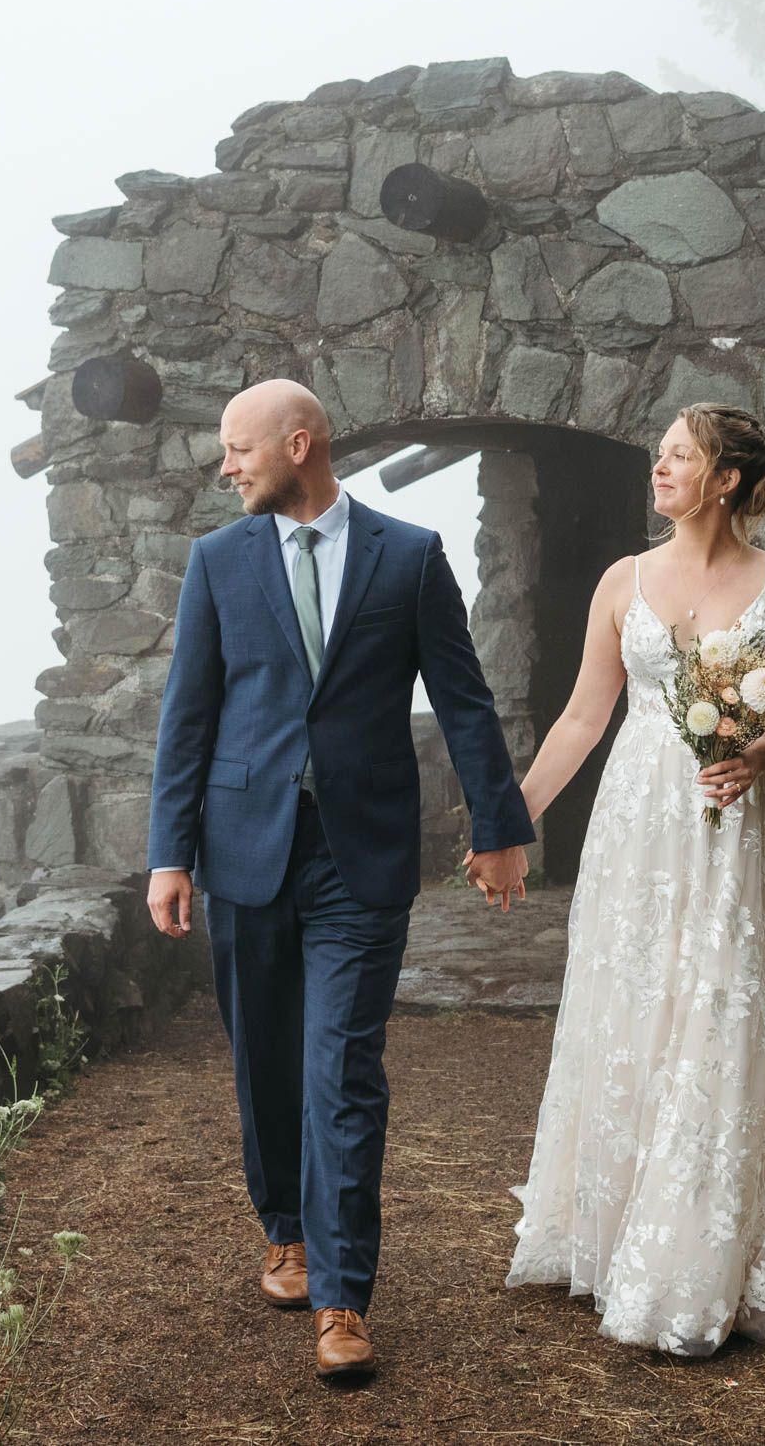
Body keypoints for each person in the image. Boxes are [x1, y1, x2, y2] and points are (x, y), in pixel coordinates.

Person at [145, 380, 532, 1382]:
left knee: (342, 1070)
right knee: (266, 1060)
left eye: (238, 448)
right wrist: (168, 851)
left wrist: (498, 827)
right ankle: (285, 1224)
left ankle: (341, 1297)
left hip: (360, 857)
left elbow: (461, 695)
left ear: (298, 442)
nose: (226, 466)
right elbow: (187, 717)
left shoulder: (409, 558)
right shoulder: (217, 561)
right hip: (243, 850)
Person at [499, 403, 765, 1356]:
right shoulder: (622, 580)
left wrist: (760, 753)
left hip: (738, 823)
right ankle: (609, 1230)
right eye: (659, 456)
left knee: (719, 1006)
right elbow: (579, 720)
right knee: (633, 1001)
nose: (659, 468)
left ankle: (696, 1255)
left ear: (724, 480)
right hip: (640, 826)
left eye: (677, 456)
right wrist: (507, 821)